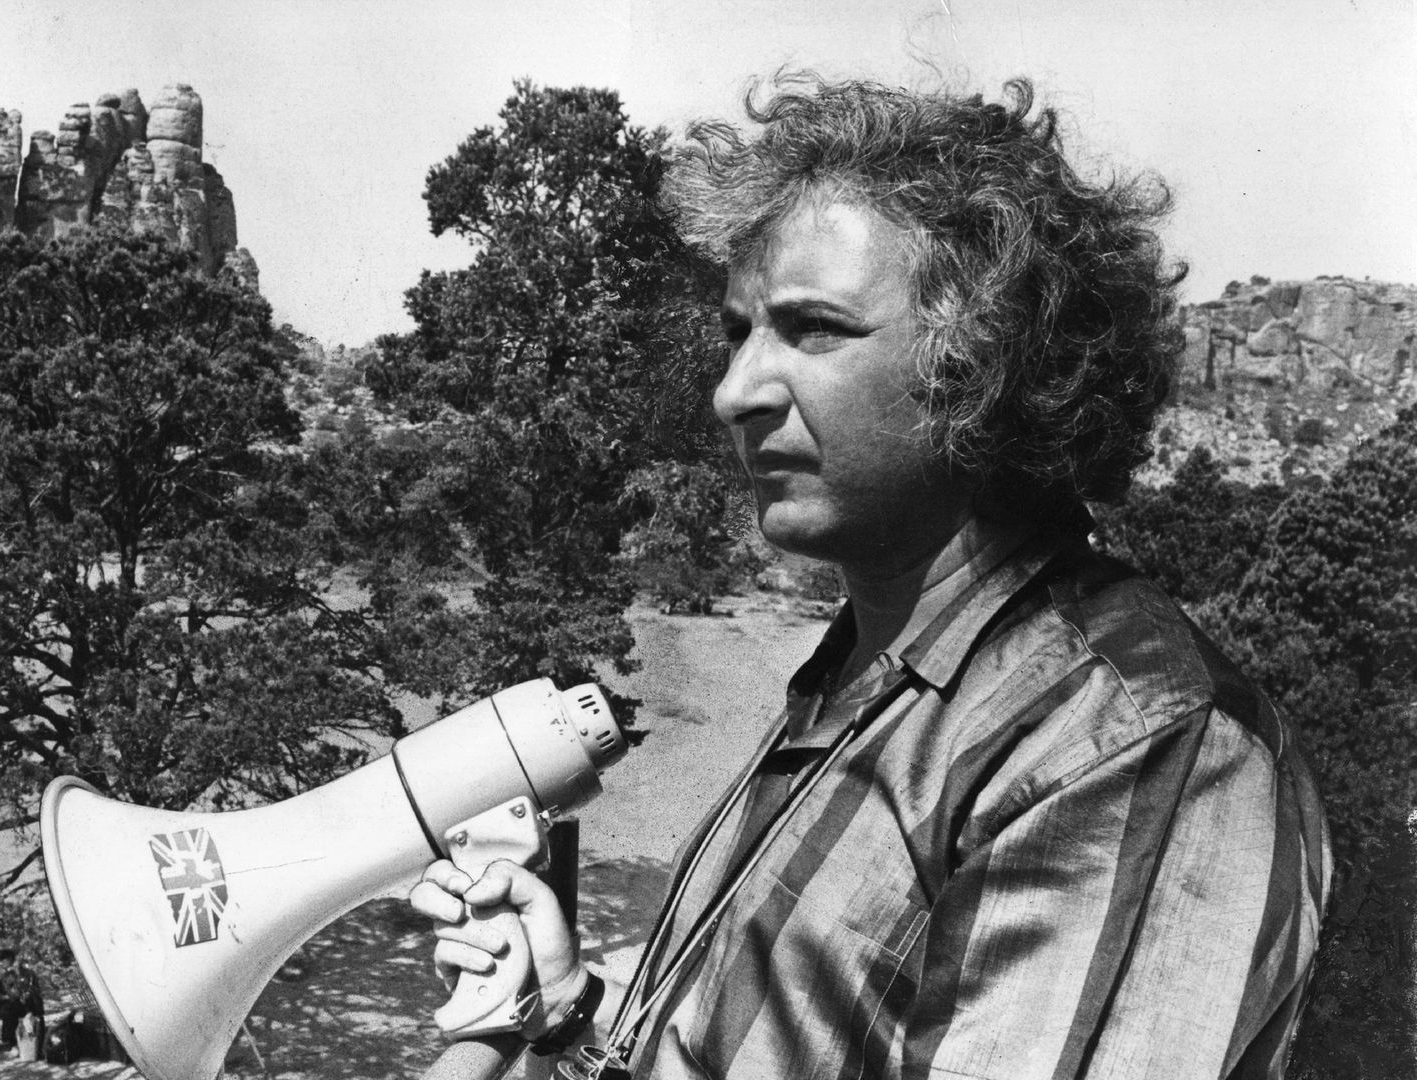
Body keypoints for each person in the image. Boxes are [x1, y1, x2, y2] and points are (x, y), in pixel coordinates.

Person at [412, 73, 1330, 1078]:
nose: (735, 392)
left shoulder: (1133, 743)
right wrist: (561, 1022)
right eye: (738, 333)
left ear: (981, 366)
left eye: (813, 330)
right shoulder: (872, 672)